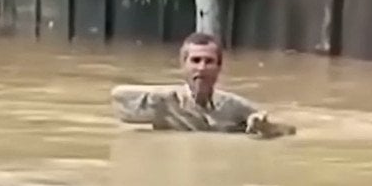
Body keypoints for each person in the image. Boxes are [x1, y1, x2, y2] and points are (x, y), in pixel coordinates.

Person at [110, 32, 295, 139]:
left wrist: (266, 129)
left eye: (209, 61)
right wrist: (166, 94)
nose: (202, 68)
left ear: (219, 67)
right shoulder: (165, 102)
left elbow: (290, 131)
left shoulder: (234, 106)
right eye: (195, 60)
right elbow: (118, 96)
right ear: (183, 65)